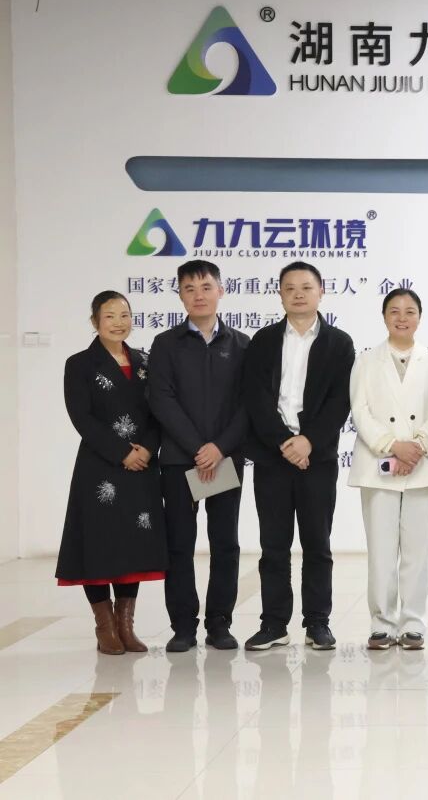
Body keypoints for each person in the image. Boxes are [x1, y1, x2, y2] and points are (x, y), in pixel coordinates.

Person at [241, 261, 355, 651]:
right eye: (290, 288)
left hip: (317, 459)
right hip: (272, 457)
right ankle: (274, 624)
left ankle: (317, 623)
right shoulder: (263, 340)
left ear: (321, 291)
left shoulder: (339, 343)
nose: (299, 294)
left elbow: (340, 401)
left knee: (317, 544)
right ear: (280, 295)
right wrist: (284, 443)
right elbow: (255, 398)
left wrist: (309, 441)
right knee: (273, 545)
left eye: (306, 287)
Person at [56, 291, 167, 654]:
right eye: (109, 316)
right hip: (100, 466)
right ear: (95, 322)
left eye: (124, 315)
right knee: (99, 542)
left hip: (142, 466)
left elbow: (159, 412)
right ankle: (104, 627)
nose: (119, 322)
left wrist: (147, 448)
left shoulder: (145, 362)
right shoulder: (80, 364)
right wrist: (121, 453)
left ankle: (125, 625)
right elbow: (82, 418)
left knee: (133, 543)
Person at [147, 260, 250, 652]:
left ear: (221, 291)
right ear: (180, 295)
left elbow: (248, 405)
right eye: (189, 289)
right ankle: (183, 626)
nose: (199, 295)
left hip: (225, 458)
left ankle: (219, 624)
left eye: (206, 287)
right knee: (179, 544)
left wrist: (219, 448)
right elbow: (161, 399)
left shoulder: (242, 345)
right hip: (179, 459)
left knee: (225, 544)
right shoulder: (165, 344)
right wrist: (196, 448)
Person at [348, 288, 428, 650]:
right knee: (381, 550)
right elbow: (360, 410)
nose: (402, 318)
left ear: (419, 317)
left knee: (417, 552)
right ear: (384, 317)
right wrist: (393, 445)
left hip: (423, 463)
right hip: (379, 464)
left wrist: (419, 445)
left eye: (409, 311)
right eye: (394, 311)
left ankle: (413, 623)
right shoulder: (366, 360)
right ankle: (382, 623)